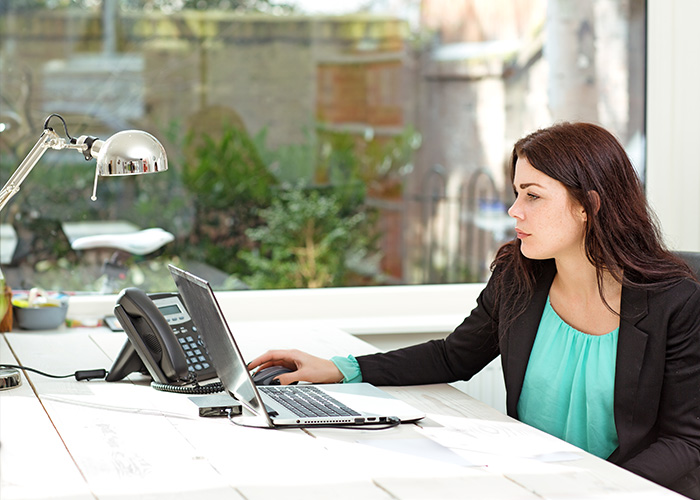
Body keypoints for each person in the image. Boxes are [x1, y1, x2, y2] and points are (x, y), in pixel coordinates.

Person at [247, 122, 700, 499]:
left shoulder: (674, 301)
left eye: (533, 196)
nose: (513, 210)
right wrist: (338, 368)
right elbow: (453, 356)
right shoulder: (518, 275)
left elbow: (685, 442)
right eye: (516, 193)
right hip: (528, 484)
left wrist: (598, 490)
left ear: (589, 206)